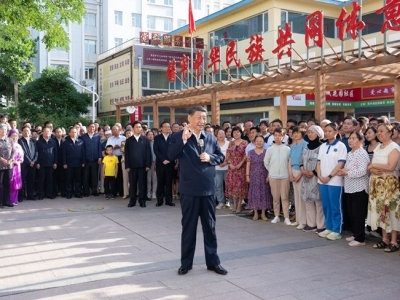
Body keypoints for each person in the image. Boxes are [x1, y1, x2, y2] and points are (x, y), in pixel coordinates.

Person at [168, 106, 227, 276]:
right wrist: (183, 140)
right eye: (199, 117)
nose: (202, 121)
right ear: (189, 118)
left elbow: (220, 156)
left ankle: (213, 262)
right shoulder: (178, 137)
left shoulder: (210, 138)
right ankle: (186, 264)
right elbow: (170, 155)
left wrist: (211, 158)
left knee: (210, 228)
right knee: (189, 228)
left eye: (204, 117)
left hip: (208, 190)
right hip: (189, 190)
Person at [367, 123, 400, 252]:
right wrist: (373, 169)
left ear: (390, 132)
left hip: (389, 184)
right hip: (377, 183)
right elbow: (369, 166)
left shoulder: (394, 147)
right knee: (380, 210)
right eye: (378, 131)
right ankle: (384, 239)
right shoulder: (378, 147)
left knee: (391, 210)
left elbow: (390, 166)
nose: (379, 133)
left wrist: (373, 166)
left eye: (382, 131)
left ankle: (394, 241)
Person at [337, 131, 369, 247]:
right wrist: (343, 172)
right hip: (349, 187)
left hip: (359, 188)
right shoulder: (350, 153)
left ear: (361, 141)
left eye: (354, 138)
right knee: (351, 213)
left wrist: (347, 172)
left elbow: (362, 171)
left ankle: (360, 238)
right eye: (350, 138)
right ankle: (356, 234)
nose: (350, 140)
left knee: (358, 214)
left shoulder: (362, 153)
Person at [316, 123, 347, 241]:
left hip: (335, 181)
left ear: (336, 132)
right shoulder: (323, 146)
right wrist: (320, 175)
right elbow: (318, 162)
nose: (327, 133)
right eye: (326, 131)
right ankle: (328, 227)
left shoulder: (341, 146)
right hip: (322, 180)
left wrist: (329, 176)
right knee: (326, 205)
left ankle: (336, 230)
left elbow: (341, 163)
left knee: (335, 206)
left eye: (330, 131)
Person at [300, 125, 325, 233]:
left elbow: (324, 163)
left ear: (318, 134)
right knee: (308, 201)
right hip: (306, 178)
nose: (310, 134)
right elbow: (301, 162)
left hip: (317, 177)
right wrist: (303, 171)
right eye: (309, 132)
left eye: (312, 132)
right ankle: (311, 224)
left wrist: (314, 172)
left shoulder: (322, 147)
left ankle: (321, 225)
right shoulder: (305, 147)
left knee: (318, 202)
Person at [264, 128, 291, 225]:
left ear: (283, 136)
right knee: (275, 198)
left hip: (285, 176)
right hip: (273, 176)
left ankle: (286, 217)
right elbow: (266, 162)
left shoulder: (287, 149)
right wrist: (271, 171)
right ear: (273, 137)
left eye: (280, 135)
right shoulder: (270, 149)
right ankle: (276, 216)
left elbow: (289, 162)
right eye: (276, 135)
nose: (278, 137)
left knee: (285, 197)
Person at [125, 121, 151, 208]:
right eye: (137, 127)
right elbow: (127, 154)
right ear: (133, 128)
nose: (138, 128)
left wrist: (148, 165)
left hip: (143, 166)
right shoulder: (129, 141)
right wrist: (127, 166)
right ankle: (132, 201)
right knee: (132, 185)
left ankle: (142, 201)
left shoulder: (145, 140)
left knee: (142, 184)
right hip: (132, 167)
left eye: (140, 127)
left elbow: (148, 153)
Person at [246, 135, 272, 221]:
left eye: (261, 141)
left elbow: (269, 165)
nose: (259, 143)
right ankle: (256, 213)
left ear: (264, 142)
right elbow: (248, 165)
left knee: (264, 194)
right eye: (257, 141)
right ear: (254, 142)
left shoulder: (266, 152)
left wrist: (268, 176)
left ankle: (264, 213)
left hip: (264, 175)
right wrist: (247, 176)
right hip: (253, 176)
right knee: (254, 194)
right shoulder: (250, 152)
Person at [288, 126, 308, 229]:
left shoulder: (305, 145)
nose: (295, 134)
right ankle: (298, 219)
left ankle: (303, 221)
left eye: (298, 133)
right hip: (293, 171)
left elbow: (305, 161)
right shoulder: (292, 146)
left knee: (302, 198)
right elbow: (290, 161)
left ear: (302, 134)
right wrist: (291, 174)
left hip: (302, 172)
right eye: (294, 133)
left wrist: (300, 174)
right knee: (296, 198)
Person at [225, 126, 248, 213]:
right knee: (233, 186)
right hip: (232, 168)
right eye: (234, 132)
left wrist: (240, 164)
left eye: (238, 132)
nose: (236, 133)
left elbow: (246, 155)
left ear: (241, 133)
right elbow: (228, 155)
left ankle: (239, 205)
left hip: (241, 168)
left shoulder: (245, 142)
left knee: (241, 186)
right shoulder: (230, 143)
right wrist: (230, 164)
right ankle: (234, 203)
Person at [153, 122, 174, 207]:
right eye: (165, 127)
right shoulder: (157, 138)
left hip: (170, 163)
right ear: (161, 128)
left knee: (169, 182)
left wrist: (169, 159)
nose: (167, 128)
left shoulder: (172, 138)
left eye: (168, 127)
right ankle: (160, 200)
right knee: (160, 182)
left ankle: (169, 201)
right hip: (160, 164)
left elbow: (174, 150)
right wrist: (163, 160)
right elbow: (156, 150)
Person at [62, 127, 85, 199]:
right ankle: (69, 193)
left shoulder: (81, 142)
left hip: (78, 163)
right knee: (69, 179)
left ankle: (78, 193)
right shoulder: (65, 142)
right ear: (69, 133)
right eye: (72, 132)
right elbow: (64, 154)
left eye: (75, 132)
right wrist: (64, 163)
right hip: (69, 164)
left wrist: (83, 161)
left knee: (78, 179)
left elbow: (83, 153)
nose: (74, 133)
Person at [80, 122, 102, 197]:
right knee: (85, 176)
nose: (92, 128)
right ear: (87, 128)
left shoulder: (97, 136)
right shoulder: (83, 137)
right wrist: (82, 160)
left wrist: (99, 157)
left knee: (94, 176)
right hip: (86, 160)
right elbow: (81, 149)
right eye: (90, 127)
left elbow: (99, 148)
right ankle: (86, 191)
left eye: (93, 127)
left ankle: (94, 191)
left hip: (95, 160)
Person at [36, 127, 58, 200]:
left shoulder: (53, 142)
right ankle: (41, 194)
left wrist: (55, 162)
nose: (47, 133)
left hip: (51, 164)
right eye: (45, 131)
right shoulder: (38, 142)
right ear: (42, 132)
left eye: (48, 131)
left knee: (50, 180)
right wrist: (38, 162)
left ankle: (49, 194)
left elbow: (55, 153)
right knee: (41, 180)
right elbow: (37, 153)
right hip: (41, 164)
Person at [19, 126, 38, 201]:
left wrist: (34, 161)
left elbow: (36, 152)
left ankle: (30, 195)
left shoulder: (33, 141)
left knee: (31, 180)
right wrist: (29, 161)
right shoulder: (20, 141)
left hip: (33, 164)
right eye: (25, 131)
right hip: (24, 164)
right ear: (22, 132)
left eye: (28, 131)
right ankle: (21, 196)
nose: (26, 132)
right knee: (22, 180)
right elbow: (23, 153)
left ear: (30, 132)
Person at [106, 125, 126, 197]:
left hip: (121, 157)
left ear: (119, 130)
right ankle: (113, 192)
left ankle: (121, 192)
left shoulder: (124, 138)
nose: (114, 131)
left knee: (121, 175)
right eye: (113, 130)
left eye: (116, 129)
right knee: (113, 175)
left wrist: (120, 147)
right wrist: (113, 148)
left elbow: (125, 148)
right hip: (112, 158)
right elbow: (107, 149)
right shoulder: (110, 139)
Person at [215, 128, 229, 209]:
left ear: (225, 135)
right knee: (218, 186)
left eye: (222, 133)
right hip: (217, 169)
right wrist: (218, 162)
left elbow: (231, 156)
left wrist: (224, 163)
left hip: (227, 168)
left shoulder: (229, 143)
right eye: (219, 134)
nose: (221, 135)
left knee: (228, 186)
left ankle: (230, 201)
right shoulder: (214, 144)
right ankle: (221, 202)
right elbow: (212, 155)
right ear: (216, 135)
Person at [0, 124, 14, 208]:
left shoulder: (10, 140)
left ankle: (7, 201)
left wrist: (10, 160)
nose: (4, 131)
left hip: (9, 165)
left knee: (7, 183)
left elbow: (13, 151)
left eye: (5, 129)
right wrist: (2, 160)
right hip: (0, 164)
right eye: (2, 129)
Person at [9, 129, 23, 205]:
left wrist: (19, 161)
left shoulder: (19, 146)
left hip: (17, 167)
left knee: (16, 183)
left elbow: (22, 157)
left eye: (16, 136)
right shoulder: (8, 144)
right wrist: (13, 161)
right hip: (10, 166)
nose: (14, 137)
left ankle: (15, 199)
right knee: (10, 183)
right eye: (13, 136)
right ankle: (9, 200)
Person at [120, 128, 132, 199]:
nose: (128, 134)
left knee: (133, 178)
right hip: (124, 161)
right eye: (127, 133)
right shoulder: (123, 143)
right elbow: (123, 151)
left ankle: (134, 193)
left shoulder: (135, 142)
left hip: (133, 161)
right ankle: (126, 193)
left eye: (130, 133)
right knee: (125, 178)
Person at [146, 130, 157, 200]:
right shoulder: (145, 144)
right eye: (149, 134)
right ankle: (148, 192)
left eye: (151, 134)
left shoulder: (156, 143)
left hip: (155, 162)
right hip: (148, 163)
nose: (150, 136)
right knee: (148, 179)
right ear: (146, 136)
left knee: (155, 179)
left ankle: (154, 193)